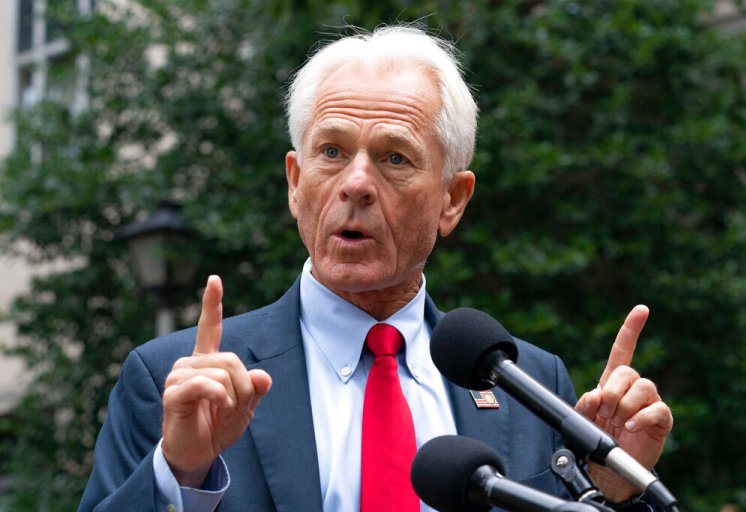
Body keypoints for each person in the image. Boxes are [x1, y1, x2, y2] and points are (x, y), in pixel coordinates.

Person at [79, 24, 673, 512]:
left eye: (393, 157)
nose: (356, 184)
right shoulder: (175, 382)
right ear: (295, 183)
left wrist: (614, 488)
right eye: (332, 152)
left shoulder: (530, 386)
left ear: (453, 199)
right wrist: (179, 473)